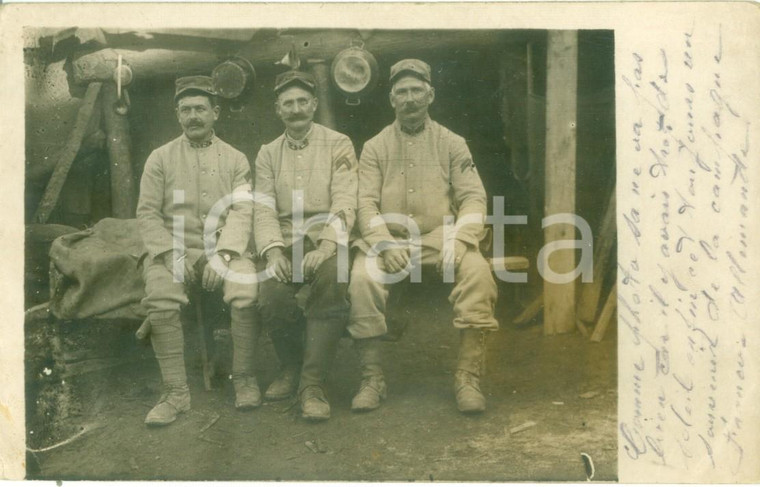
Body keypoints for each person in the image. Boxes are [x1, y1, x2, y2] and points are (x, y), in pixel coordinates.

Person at [348, 59, 498, 414]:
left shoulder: (452, 142)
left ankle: (467, 378)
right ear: (391, 99)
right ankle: (372, 378)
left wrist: (460, 239)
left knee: (478, 274)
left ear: (430, 94)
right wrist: (383, 243)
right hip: (389, 240)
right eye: (402, 92)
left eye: (417, 90)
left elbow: (473, 197)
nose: (410, 98)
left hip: (440, 239)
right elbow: (365, 203)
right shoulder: (374, 147)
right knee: (360, 280)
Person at [136, 76, 259, 426]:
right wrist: (169, 254)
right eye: (186, 109)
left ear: (215, 112)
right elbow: (146, 213)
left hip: (223, 248)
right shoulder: (159, 158)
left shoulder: (235, 159)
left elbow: (243, 210)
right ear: (177, 115)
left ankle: (245, 377)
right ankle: (175, 393)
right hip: (173, 250)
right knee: (160, 296)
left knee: (245, 290)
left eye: (200, 109)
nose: (193, 116)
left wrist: (224, 254)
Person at [253, 70, 358, 421]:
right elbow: (263, 206)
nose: (296, 109)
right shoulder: (268, 153)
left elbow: (345, 199)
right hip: (285, 240)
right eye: (288, 103)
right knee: (270, 293)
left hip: (327, 236)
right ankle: (292, 366)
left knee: (332, 281)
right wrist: (272, 250)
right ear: (277, 110)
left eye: (302, 101)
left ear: (313, 104)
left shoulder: (339, 142)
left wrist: (327, 245)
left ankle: (312, 384)